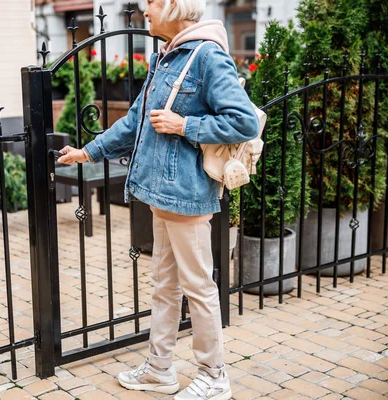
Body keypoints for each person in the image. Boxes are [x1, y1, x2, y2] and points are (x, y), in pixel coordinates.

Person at [57, 0, 258, 398]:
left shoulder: (207, 56)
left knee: (199, 287)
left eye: (151, 3)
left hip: (186, 196)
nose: (144, 10)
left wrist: (186, 124)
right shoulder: (164, 57)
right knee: (164, 284)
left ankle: (214, 377)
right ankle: (160, 369)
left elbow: (243, 120)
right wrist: (89, 152)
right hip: (159, 193)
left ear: (174, 5)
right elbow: (135, 120)